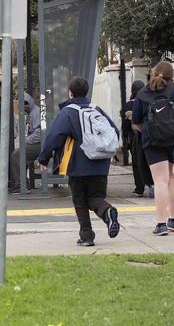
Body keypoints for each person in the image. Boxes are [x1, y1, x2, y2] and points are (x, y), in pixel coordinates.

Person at [38, 77, 120, 246]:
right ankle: (107, 212)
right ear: (87, 92)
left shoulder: (68, 112)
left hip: (79, 164)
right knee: (96, 197)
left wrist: (44, 158)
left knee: (80, 200)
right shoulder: (96, 109)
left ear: (70, 93)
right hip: (101, 164)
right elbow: (114, 131)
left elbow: (55, 136)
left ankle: (87, 236)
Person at [132, 61, 174, 236]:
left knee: (160, 181)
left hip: (153, 143)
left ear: (153, 74)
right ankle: (173, 219)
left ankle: (160, 224)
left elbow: (136, 122)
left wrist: (150, 131)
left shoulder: (142, 93)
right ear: (173, 76)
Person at [124, 80, 154, 197]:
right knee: (150, 162)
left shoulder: (129, 105)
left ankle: (139, 188)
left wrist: (126, 138)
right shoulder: (149, 100)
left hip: (135, 137)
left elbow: (126, 125)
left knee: (137, 163)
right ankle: (152, 186)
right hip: (150, 135)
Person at [9, 93, 41, 192]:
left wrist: (26, 141)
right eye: (22, 104)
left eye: (26, 104)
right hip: (35, 143)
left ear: (30, 102)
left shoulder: (36, 112)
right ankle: (23, 183)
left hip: (38, 144)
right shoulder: (32, 112)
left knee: (16, 155)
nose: (25, 107)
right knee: (19, 156)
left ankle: (21, 185)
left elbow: (39, 134)